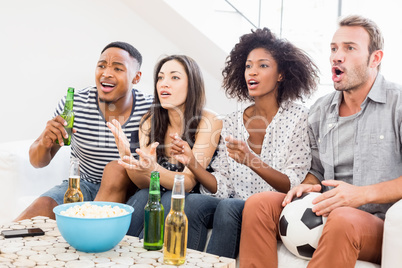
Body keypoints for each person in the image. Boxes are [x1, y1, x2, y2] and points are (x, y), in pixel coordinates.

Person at [239, 15, 402, 268]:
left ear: (375, 59)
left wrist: (360, 195)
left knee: (344, 218)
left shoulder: (398, 104)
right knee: (259, 204)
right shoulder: (320, 110)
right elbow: (315, 170)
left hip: (378, 223)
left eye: (349, 48)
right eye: (334, 48)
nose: (337, 56)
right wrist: (307, 186)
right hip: (327, 210)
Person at [170, 28, 319, 258]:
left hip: (272, 207)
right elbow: (223, 186)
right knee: (194, 204)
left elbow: (292, 185)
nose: (253, 72)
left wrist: (251, 160)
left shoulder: (298, 118)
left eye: (263, 65)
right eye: (248, 66)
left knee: (230, 207)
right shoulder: (230, 122)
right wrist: (192, 163)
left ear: (281, 74)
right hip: (234, 205)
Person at [15, 41, 153, 221]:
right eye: (101, 66)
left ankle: (87, 233)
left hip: (130, 190)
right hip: (83, 186)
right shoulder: (76, 104)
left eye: (118, 69)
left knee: (118, 170)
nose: (106, 73)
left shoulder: (149, 109)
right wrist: (44, 142)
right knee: (41, 207)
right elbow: (37, 161)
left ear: (136, 77)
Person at [94, 55, 222, 237]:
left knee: (169, 199)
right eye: (160, 78)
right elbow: (143, 182)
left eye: (174, 77)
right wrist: (126, 155)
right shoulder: (149, 120)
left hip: (196, 196)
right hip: (158, 191)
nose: (164, 83)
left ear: (192, 84)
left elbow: (187, 183)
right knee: (142, 196)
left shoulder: (209, 120)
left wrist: (153, 169)